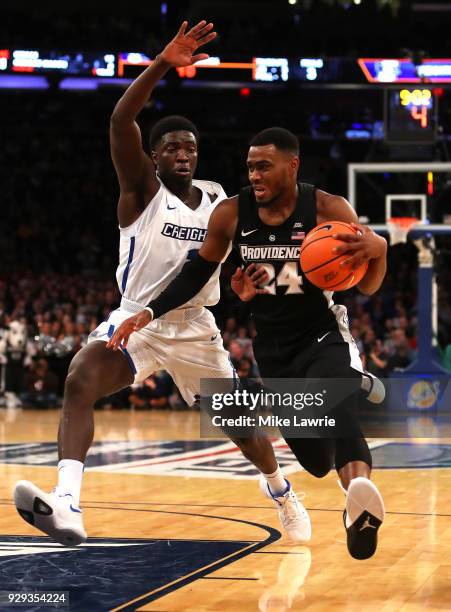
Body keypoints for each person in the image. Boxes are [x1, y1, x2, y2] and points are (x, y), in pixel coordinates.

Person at [13, 24, 309, 547]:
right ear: (153, 156)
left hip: (196, 327)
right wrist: (164, 64)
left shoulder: (220, 197)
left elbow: (234, 252)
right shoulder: (141, 191)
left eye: (189, 148)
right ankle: (67, 503)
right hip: (138, 320)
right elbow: (120, 118)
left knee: (240, 429)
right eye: (171, 146)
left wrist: (249, 276)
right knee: (80, 377)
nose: (182, 153)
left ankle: (281, 490)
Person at [107, 127, 387, 560]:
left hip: (323, 335)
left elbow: (367, 285)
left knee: (335, 407)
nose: (254, 174)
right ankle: (336, 394)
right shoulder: (231, 214)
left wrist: (379, 248)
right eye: (250, 166)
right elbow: (197, 273)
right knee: (314, 461)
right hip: (274, 351)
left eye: (264, 166)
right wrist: (149, 311)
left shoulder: (328, 208)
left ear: (292, 166)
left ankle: (359, 508)